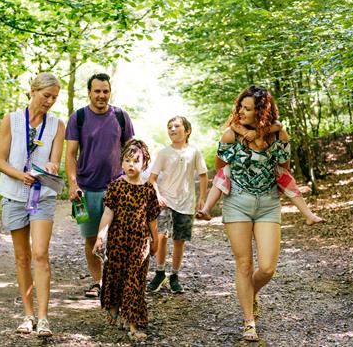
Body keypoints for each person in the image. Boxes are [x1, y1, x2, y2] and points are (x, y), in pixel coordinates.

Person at [214, 85, 294, 341]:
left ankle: (251, 292)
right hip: (237, 202)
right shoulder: (229, 136)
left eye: (247, 109)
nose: (240, 112)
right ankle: (249, 321)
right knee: (244, 264)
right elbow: (220, 169)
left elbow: (284, 167)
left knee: (268, 268)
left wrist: (271, 131)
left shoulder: (278, 135)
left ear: (262, 112)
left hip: (268, 203)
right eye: (240, 106)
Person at [0, 73, 65, 337]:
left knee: (40, 254)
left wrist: (50, 166)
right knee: (22, 257)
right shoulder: (11, 121)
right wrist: (19, 175)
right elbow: (0, 161)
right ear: (33, 91)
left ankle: (44, 318)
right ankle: (27, 315)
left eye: (55, 98)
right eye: (47, 96)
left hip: (42, 195)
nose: (50, 101)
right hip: (14, 194)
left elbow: (55, 161)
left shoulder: (58, 125)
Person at [65, 72, 134, 298]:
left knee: (118, 237)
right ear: (89, 93)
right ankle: (98, 282)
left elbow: (132, 151)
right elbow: (71, 154)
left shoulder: (121, 116)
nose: (101, 95)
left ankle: (116, 281)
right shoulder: (79, 117)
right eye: (97, 91)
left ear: (110, 92)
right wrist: (72, 184)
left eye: (105, 91)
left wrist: (132, 181)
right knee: (91, 238)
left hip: (117, 187)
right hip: (85, 190)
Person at [93, 139, 160, 341]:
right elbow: (107, 214)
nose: (131, 164)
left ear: (144, 164)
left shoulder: (148, 190)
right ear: (121, 163)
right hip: (117, 242)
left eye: (136, 161)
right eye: (127, 160)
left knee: (135, 283)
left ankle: (133, 323)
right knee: (115, 276)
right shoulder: (115, 187)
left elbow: (152, 220)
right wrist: (100, 237)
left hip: (140, 244)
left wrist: (155, 241)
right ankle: (114, 309)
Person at [196, 122, 326, 226]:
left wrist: (258, 132)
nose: (242, 111)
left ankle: (309, 215)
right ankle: (207, 208)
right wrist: (246, 133)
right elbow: (232, 127)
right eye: (242, 108)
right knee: (222, 174)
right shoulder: (236, 127)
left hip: (269, 174)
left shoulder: (274, 129)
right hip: (238, 172)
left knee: (285, 177)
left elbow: (279, 125)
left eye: (247, 108)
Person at [146, 116, 208, 293]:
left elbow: (203, 176)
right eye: (169, 127)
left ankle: (174, 275)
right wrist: (157, 196)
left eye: (176, 126)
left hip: (186, 202)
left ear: (187, 130)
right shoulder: (164, 153)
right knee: (161, 237)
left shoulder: (194, 152)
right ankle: (159, 273)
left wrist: (202, 198)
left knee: (179, 240)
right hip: (165, 201)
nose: (172, 129)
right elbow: (152, 179)